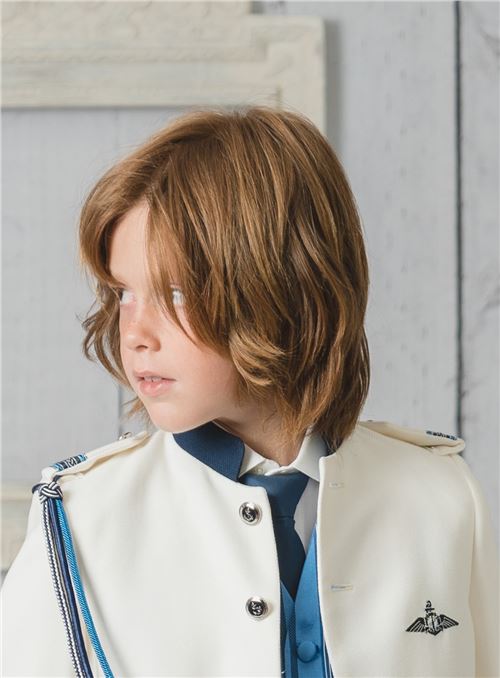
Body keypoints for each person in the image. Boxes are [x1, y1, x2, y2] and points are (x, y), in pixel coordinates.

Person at [1, 106, 498, 678]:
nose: (133, 334)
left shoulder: (442, 496)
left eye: (175, 293)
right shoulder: (80, 517)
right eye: (122, 293)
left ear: (286, 285)